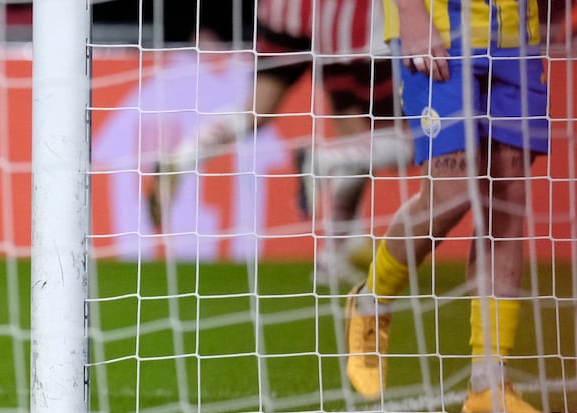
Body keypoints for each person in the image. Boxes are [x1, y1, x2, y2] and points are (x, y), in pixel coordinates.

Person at [343, 0, 557, 413]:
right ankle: (371, 299)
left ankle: (487, 382)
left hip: (518, 34)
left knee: (506, 203)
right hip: (440, 27)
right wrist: (410, 12)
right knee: (451, 195)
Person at [146, 0, 413, 288]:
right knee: (378, 141)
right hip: (345, 27)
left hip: (286, 16)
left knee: (256, 110)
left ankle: (184, 155)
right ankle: (332, 239)